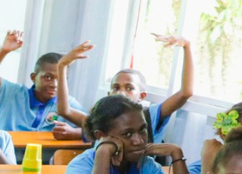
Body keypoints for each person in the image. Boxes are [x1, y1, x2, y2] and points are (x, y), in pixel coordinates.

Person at [56, 95, 190, 174]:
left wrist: (177, 154)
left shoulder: (146, 165)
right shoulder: (82, 165)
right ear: (101, 136)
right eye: (127, 134)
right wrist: (103, 151)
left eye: (142, 130)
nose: (139, 141)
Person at [55, 35, 195, 138]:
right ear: (109, 94)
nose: (121, 92)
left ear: (141, 96)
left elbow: (185, 93)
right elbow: (64, 110)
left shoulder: (150, 115)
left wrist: (186, 46)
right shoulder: (100, 118)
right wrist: (62, 66)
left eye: (129, 88)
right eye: (116, 87)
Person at [0, 31, 80, 137]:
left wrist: (74, 133)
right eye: (48, 77)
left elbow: (95, 129)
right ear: (33, 77)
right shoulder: (12, 93)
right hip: (3, 152)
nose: (54, 84)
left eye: (61, 79)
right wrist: (4, 51)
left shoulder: (68, 103)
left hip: (46, 153)